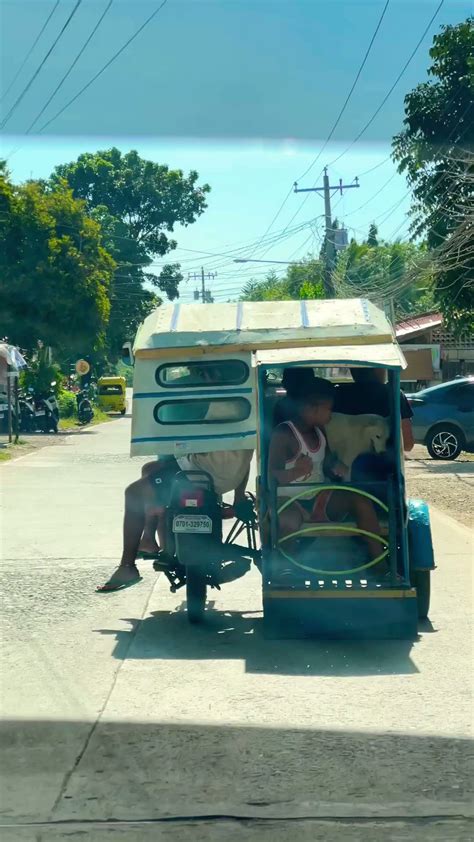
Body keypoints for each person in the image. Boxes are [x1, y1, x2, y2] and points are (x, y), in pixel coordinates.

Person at [98, 361, 253, 592]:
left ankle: (127, 566)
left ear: (213, 374)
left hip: (198, 472)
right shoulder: (247, 403)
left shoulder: (210, 399)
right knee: (151, 470)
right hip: (226, 477)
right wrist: (239, 494)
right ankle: (151, 539)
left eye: (201, 372)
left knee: (133, 492)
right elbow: (245, 459)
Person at [268, 378, 383, 569]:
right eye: (328, 409)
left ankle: (381, 566)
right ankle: (284, 571)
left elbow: (327, 462)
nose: (331, 415)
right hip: (289, 502)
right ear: (313, 408)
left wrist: (336, 467)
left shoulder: (320, 431)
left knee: (360, 500)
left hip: (318, 497)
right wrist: (297, 471)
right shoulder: (283, 434)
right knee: (287, 521)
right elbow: (271, 476)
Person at [334, 368, 414, 451]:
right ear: (378, 369)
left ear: (352, 370)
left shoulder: (337, 394)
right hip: (383, 461)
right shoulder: (395, 395)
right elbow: (407, 444)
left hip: (341, 461)